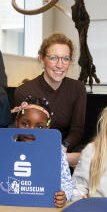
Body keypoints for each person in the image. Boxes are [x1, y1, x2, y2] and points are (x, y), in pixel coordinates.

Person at [0, 96, 73, 208]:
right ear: (17, 122)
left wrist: (64, 195)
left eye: (39, 127)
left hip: (42, 208)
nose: (31, 131)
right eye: (25, 124)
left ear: (47, 128)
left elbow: (67, 183)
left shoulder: (55, 151)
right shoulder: (3, 147)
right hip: (8, 206)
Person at [14, 33, 86, 167]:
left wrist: (62, 149)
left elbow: (77, 130)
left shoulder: (78, 89)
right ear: (42, 59)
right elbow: (21, 133)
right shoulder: (23, 91)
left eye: (65, 59)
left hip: (64, 151)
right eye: (53, 58)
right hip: (31, 151)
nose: (60, 65)